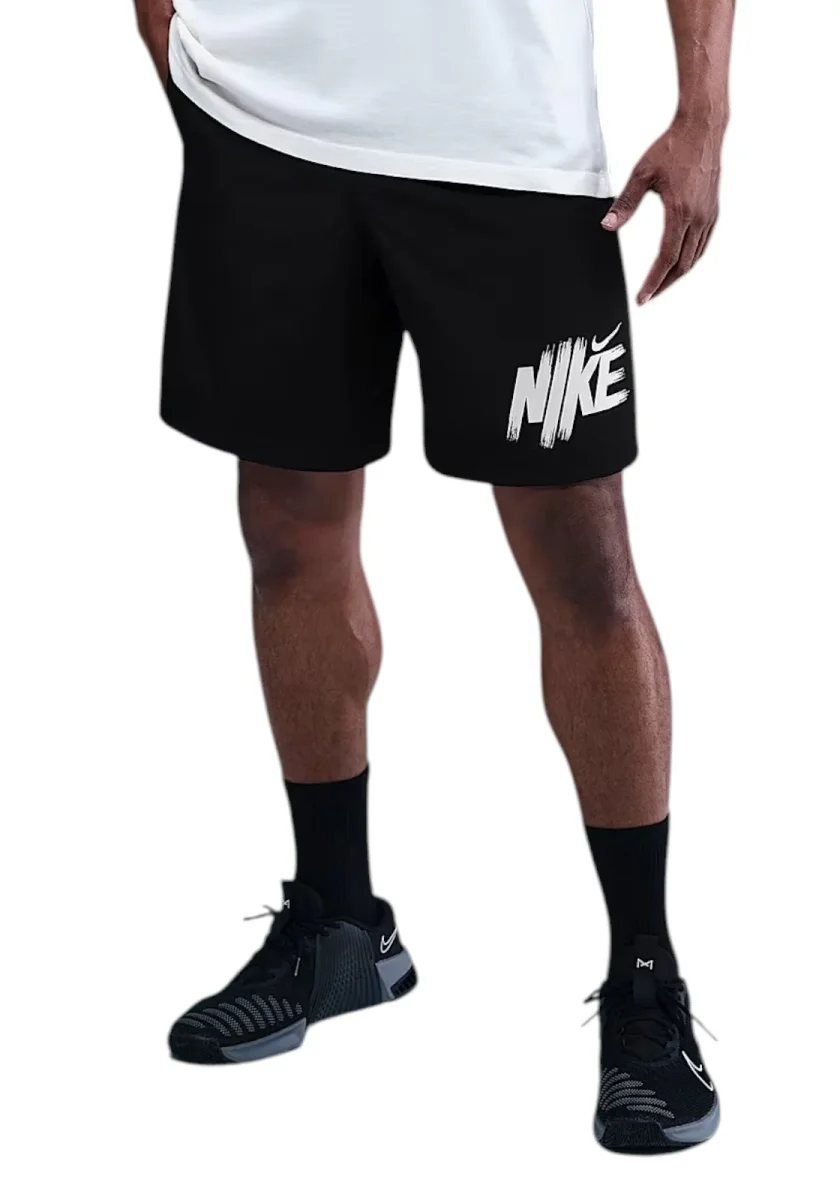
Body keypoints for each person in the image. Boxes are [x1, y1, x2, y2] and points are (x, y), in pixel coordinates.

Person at [136, 0, 735, 1152]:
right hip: (262, 124)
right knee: (289, 532)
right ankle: (339, 925)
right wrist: (168, 31)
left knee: (584, 564)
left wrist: (702, 108)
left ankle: (645, 977)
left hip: (507, 151)